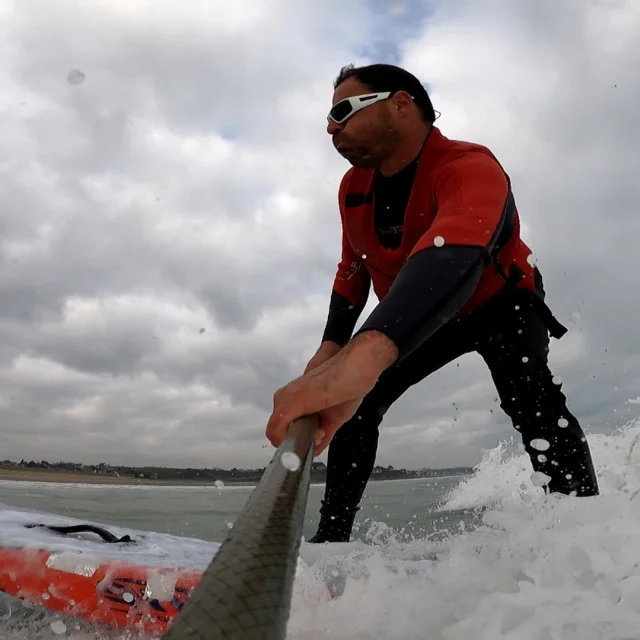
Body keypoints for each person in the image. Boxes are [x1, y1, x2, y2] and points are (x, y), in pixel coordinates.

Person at [265, 63, 599, 543]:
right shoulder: (353, 189)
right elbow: (352, 269)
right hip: (419, 316)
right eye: (328, 117)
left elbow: (455, 252)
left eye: (342, 111)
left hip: (502, 304)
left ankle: (584, 530)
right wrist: (331, 348)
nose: (330, 127)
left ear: (401, 104)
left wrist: (365, 355)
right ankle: (331, 543)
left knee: (533, 401)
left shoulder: (469, 166)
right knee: (355, 405)